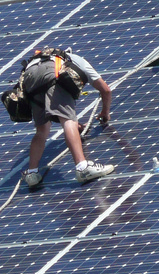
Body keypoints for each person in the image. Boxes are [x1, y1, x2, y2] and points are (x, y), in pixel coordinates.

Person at [19, 48, 115, 188]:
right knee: (68, 120)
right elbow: (105, 90)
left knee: (41, 130)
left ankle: (32, 174)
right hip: (52, 74)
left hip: (29, 78)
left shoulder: (40, 59)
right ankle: (82, 168)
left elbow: (52, 108)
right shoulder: (78, 60)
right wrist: (105, 113)